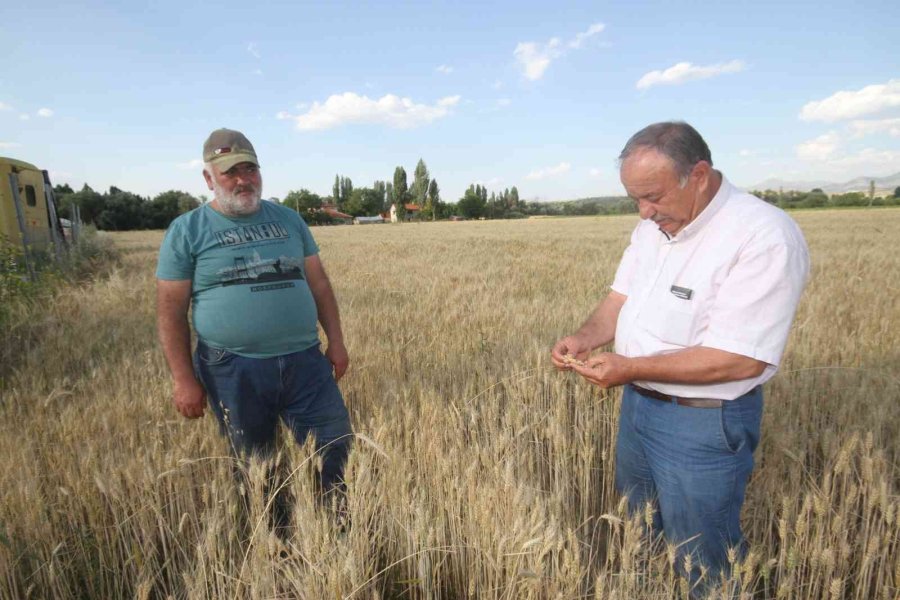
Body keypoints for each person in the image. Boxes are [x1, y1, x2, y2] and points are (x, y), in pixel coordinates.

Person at [551, 121, 809, 588]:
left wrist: (630, 367)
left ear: (700, 174)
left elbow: (740, 359)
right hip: (637, 411)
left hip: (703, 424)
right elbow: (618, 301)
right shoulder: (651, 229)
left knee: (705, 561)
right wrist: (585, 337)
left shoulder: (762, 235)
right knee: (640, 539)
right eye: (635, 199)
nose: (644, 211)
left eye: (653, 196)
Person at [156, 128, 352, 520]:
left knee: (335, 446)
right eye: (231, 172)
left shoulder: (289, 220)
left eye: (250, 169)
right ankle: (272, 544)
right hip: (233, 367)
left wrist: (337, 341)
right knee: (257, 464)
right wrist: (183, 379)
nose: (243, 179)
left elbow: (319, 283)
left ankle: (337, 530)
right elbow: (170, 309)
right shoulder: (188, 230)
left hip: (306, 361)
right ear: (209, 178)